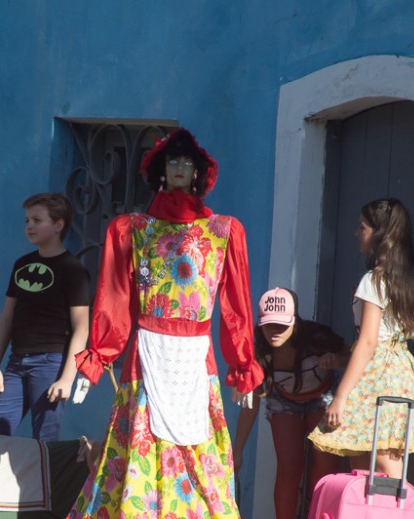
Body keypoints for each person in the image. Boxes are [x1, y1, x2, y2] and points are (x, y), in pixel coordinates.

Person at [68, 128, 261, 518]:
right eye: (173, 160)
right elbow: (114, 297)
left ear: (197, 172)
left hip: (196, 360)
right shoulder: (132, 229)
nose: (179, 167)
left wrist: (242, 364)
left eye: (186, 162)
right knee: (139, 441)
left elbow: (236, 305)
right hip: (147, 356)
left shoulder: (224, 232)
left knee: (199, 457)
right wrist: (99, 356)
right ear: (162, 169)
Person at [308, 198, 414, 479]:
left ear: (380, 234)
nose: (356, 233)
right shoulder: (408, 280)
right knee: (369, 452)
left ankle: (396, 503)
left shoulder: (373, 281)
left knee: (380, 457)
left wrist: (340, 397)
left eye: (362, 227)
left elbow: (369, 342)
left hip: (378, 373)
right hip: (401, 370)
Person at [232, 287, 347, 519]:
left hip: (322, 398)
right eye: (269, 324)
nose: (275, 331)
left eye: (282, 324)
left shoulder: (316, 337)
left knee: (326, 464)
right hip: (284, 401)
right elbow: (252, 402)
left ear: (294, 321)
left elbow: (352, 357)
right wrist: (238, 450)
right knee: (289, 467)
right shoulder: (260, 352)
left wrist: (336, 360)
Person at [0, 193, 91, 442]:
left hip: (50, 364)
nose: (29, 226)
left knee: (44, 439)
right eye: (27, 220)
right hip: (16, 363)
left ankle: (43, 471)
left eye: (37, 220)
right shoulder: (22, 265)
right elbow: (7, 318)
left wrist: (67, 379)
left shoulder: (73, 270)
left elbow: (81, 328)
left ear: (58, 225)